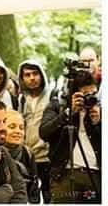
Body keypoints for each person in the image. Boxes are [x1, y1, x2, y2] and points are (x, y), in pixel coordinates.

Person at [40, 70, 100, 204]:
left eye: (93, 94)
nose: (90, 98)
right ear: (73, 94)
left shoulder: (99, 109)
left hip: (94, 176)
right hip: (64, 175)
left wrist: (98, 122)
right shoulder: (58, 106)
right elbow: (44, 133)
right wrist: (68, 113)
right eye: (85, 94)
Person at [17, 60, 53, 201]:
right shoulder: (21, 99)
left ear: (41, 75)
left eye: (35, 73)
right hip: (28, 157)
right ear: (22, 78)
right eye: (27, 75)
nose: (32, 78)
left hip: (48, 156)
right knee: (31, 197)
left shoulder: (52, 96)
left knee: (49, 196)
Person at [5, 110, 40, 202]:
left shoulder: (28, 153)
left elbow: (34, 188)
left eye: (21, 128)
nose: (18, 131)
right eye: (12, 127)